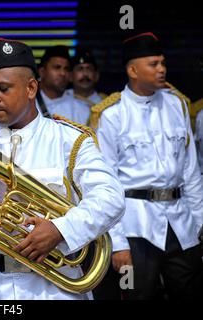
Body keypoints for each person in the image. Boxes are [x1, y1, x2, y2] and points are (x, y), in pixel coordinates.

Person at [0, 38, 125, 300]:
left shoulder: (69, 139)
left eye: (3, 88)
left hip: (53, 290)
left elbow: (111, 198)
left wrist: (60, 229)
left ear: (31, 87)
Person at [92, 32, 203, 299]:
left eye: (163, 62)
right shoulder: (111, 114)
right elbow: (105, 185)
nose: (162, 69)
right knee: (136, 295)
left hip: (181, 224)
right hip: (135, 227)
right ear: (132, 70)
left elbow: (191, 172)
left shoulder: (177, 103)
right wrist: (117, 245)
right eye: (153, 64)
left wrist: (201, 223)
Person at [54, 48, 106, 125]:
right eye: (80, 69)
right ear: (71, 76)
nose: (85, 74)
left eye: (89, 69)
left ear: (96, 75)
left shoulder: (107, 103)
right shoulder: (59, 104)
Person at [36, 45, 71, 117]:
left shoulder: (82, 110)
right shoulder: (25, 105)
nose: (63, 73)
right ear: (42, 72)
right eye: (57, 67)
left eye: (66, 69)